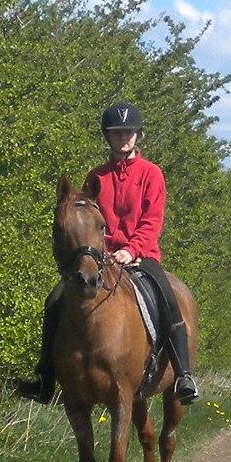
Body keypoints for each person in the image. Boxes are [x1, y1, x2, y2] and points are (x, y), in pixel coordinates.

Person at [17, 101, 199, 406]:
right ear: (108, 137)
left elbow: (152, 220)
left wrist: (131, 250)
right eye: (117, 133)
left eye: (129, 132)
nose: (123, 137)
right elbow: (88, 220)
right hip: (99, 258)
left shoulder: (151, 174)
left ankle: (184, 375)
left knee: (169, 299)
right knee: (56, 299)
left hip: (142, 257)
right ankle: (45, 377)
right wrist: (100, 251)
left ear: (138, 135)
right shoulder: (96, 177)